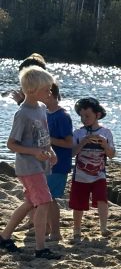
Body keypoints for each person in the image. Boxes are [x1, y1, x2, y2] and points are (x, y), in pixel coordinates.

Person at [0, 66, 61, 259]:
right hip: (28, 167)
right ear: (32, 91)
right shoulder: (23, 113)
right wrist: (34, 152)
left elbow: (44, 136)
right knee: (44, 202)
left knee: (29, 203)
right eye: (46, 90)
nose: (50, 93)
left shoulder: (42, 109)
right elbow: (11, 144)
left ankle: (4, 236)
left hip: (40, 165)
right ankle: (40, 248)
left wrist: (50, 151)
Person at [69, 97, 116, 239]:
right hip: (80, 176)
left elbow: (112, 154)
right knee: (78, 204)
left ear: (98, 115)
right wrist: (82, 143)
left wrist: (105, 145)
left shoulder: (106, 132)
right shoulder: (78, 133)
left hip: (99, 174)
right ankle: (77, 229)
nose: (84, 119)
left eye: (87, 116)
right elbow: (72, 153)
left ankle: (103, 227)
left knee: (102, 199)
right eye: (81, 116)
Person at [43, 82, 73, 241]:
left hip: (59, 163)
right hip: (46, 162)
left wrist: (50, 140)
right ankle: (47, 228)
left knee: (50, 197)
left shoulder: (62, 116)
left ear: (51, 94)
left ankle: (56, 232)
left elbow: (69, 143)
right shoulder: (45, 112)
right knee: (44, 197)